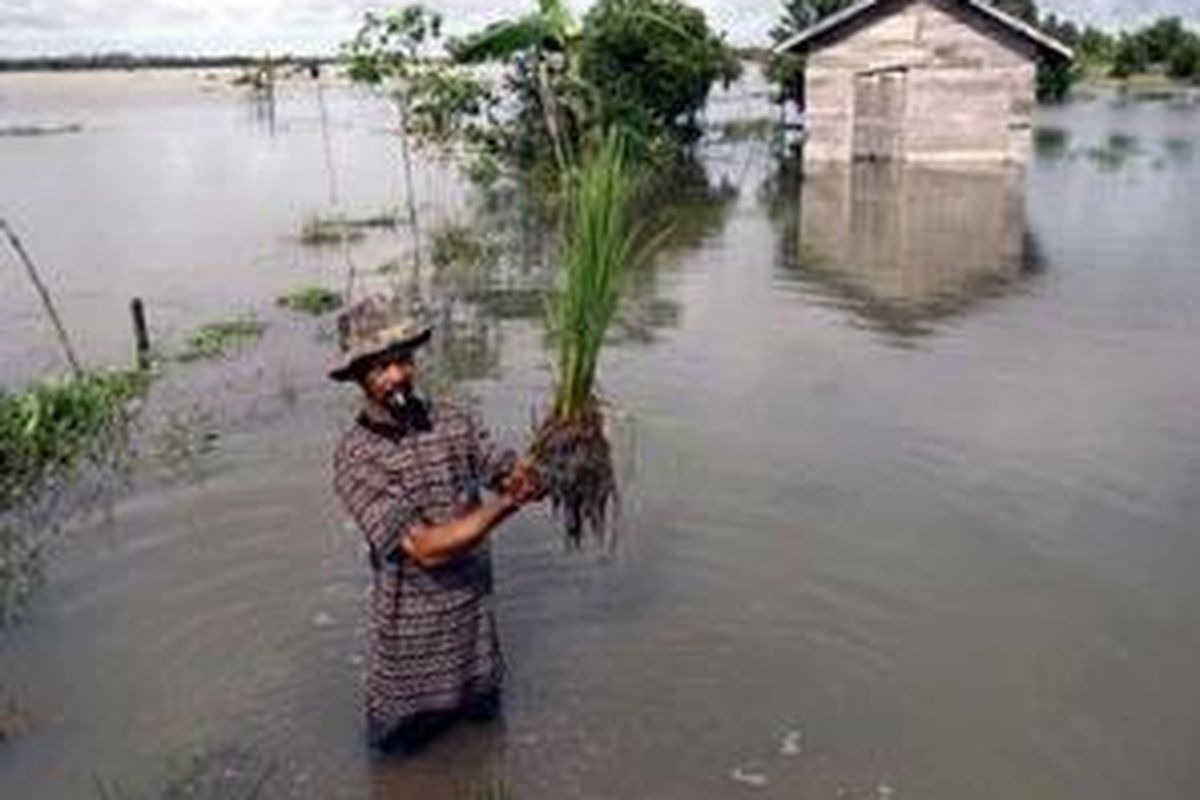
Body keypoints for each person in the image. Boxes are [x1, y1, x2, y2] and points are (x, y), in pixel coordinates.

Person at [329, 295, 541, 753]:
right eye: (379, 367)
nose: (396, 376)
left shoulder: (453, 420)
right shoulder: (356, 457)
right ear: (357, 377)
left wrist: (532, 469)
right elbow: (423, 548)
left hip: (476, 650)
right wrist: (505, 505)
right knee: (399, 775)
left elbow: (499, 466)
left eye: (402, 360)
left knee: (487, 760)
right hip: (410, 667)